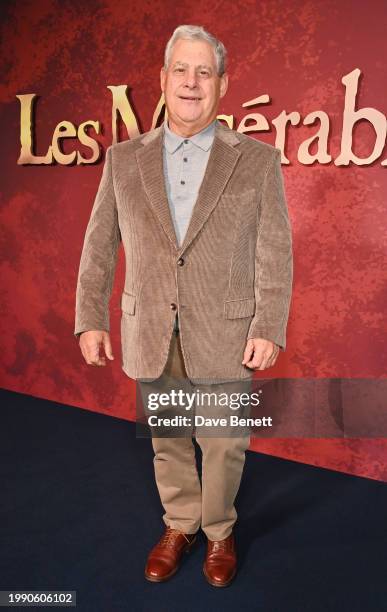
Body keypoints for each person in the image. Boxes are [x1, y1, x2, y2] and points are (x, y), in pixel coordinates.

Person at [74, 24, 293, 587]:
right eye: (181, 70)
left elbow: (275, 248)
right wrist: (90, 318)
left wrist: (269, 323)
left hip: (225, 326)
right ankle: (180, 523)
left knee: (223, 445)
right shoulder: (124, 160)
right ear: (163, 79)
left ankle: (219, 531)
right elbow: (100, 242)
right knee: (168, 440)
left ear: (222, 83)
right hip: (148, 324)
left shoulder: (258, 161)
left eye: (204, 72)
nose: (191, 82)